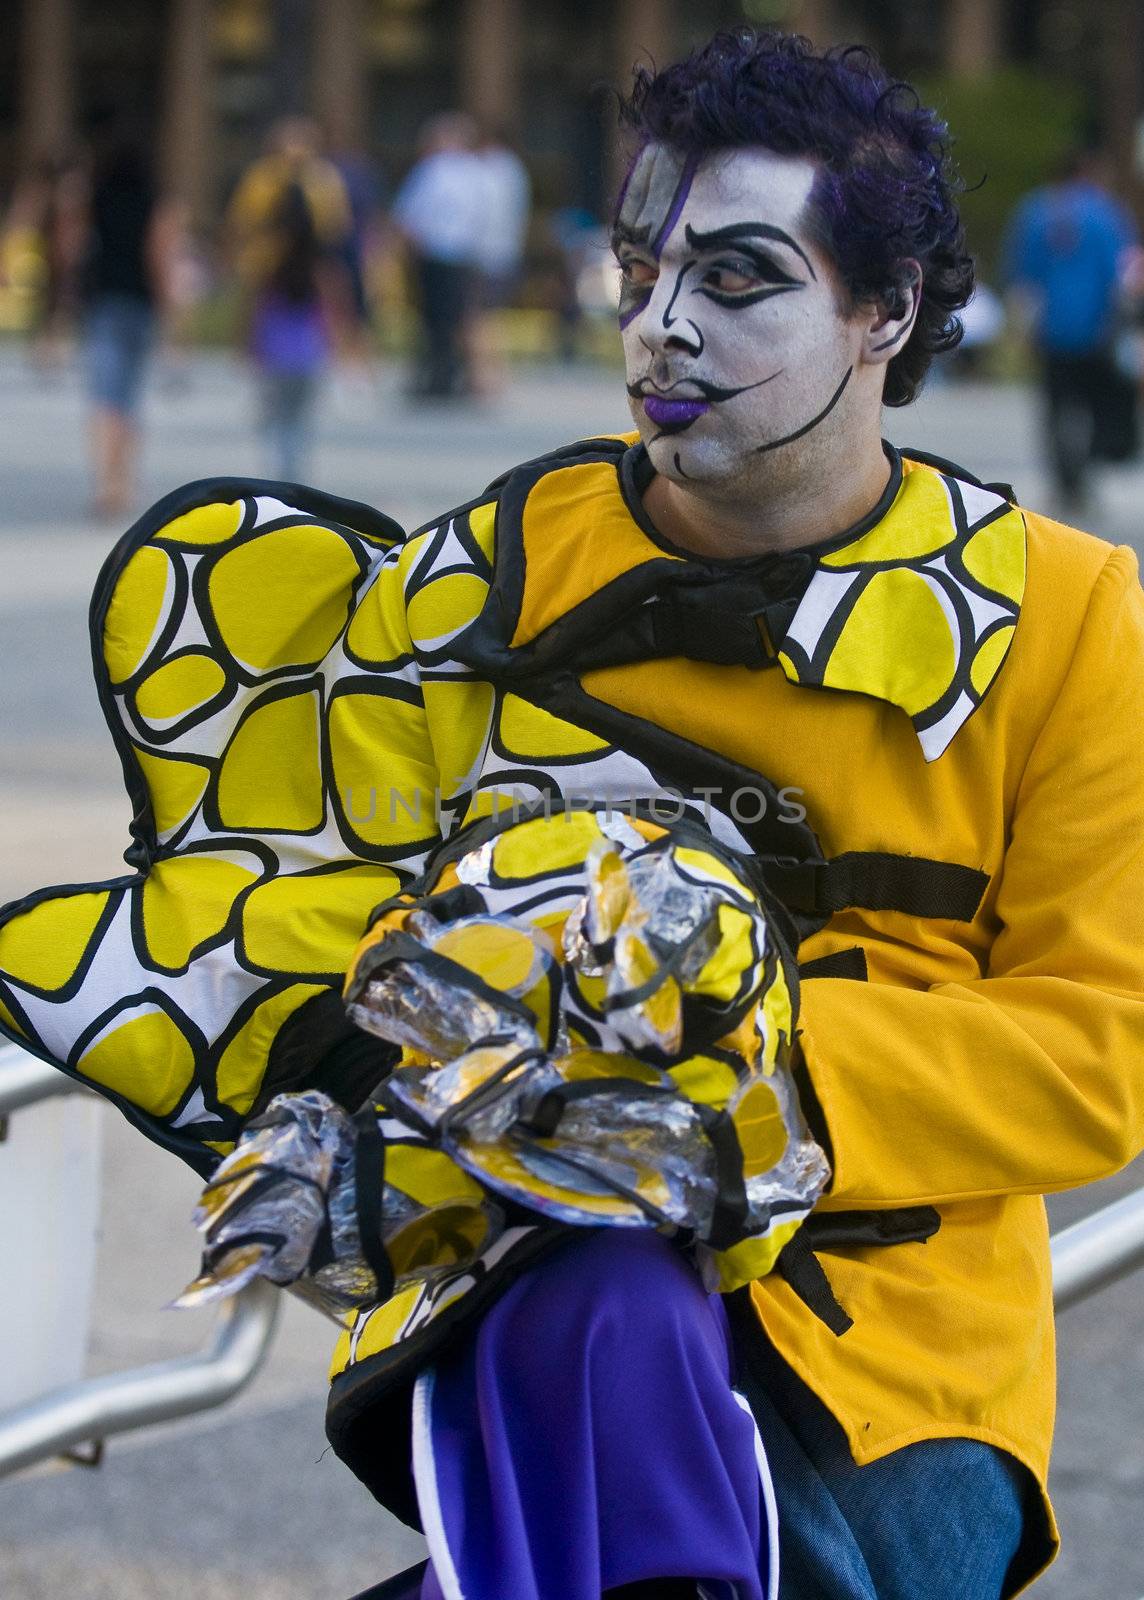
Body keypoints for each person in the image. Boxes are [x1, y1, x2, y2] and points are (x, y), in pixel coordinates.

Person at [3, 29, 1144, 1600]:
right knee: (597, 1301)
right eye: (636, 266)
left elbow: (1105, 1048)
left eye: (738, 279)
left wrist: (724, 1072)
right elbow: (337, 906)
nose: (661, 329)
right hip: (529, 1301)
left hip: (891, 1374)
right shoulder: (503, 564)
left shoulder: (1075, 618)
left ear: (884, 313)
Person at [1002, 149, 1139, 507]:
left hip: (1052, 330)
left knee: (1056, 404)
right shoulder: (1107, 213)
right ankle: (1086, 469)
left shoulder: (1034, 211)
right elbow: (1125, 274)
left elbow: (1021, 275)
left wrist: (1021, 330)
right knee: (1097, 403)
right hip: (1097, 328)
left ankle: (1066, 477)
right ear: (1090, 171)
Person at [80, 120, 180, 518]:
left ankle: (104, 480)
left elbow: (75, 245)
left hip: (103, 301)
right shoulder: (156, 200)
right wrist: (167, 306)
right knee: (129, 398)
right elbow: (157, 254)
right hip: (139, 305)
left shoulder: (96, 196)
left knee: (105, 397)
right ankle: (123, 481)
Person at [392, 113, 484, 398]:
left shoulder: (432, 170)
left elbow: (408, 216)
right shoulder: (475, 172)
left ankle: (435, 378)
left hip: (435, 255)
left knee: (435, 321)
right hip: (465, 256)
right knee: (460, 318)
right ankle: (455, 377)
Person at [249, 179, 336, 480]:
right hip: (309, 350)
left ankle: (281, 478)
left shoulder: (268, 258)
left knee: (276, 421)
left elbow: (255, 306)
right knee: (301, 421)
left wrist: (248, 344)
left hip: (275, 350)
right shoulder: (318, 260)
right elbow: (333, 304)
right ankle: (297, 478)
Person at [466, 124, 531, 393]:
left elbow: (477, 216)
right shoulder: (515, 170)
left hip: (484, 254)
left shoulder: (489, 171)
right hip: (507, 252)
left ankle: (485, 377)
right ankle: (492, 374)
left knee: (479, 317)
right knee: (491, 316)